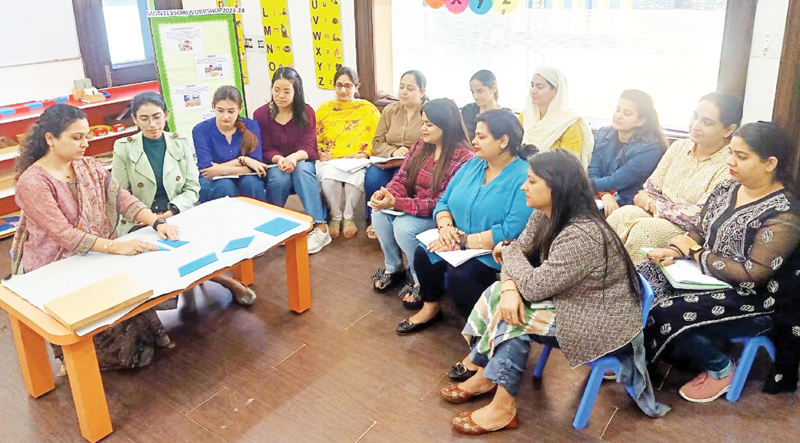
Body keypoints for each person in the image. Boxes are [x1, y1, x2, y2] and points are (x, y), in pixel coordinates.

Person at [439, 149, 647, 435]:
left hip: (601, 321)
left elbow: (526, 275)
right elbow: (519, 254)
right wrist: (509, 286)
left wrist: (509, 253)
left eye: (532, 181)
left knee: (516, 320)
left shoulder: (581, 235)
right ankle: (485, 375)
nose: (524, 187)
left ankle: (502, 407)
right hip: (571, 301)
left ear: (556, 187)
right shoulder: (545, 213)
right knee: (500, 294)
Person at [640, 122, 800, 403]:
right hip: (706, 276)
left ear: (770, 163)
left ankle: (721, 368)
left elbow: (752, 275)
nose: (730, 161)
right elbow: (700, 230)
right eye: (731, 153)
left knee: (666, 311)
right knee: (641, 277)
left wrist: (696, 253)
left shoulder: (785, 212)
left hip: (754, 299)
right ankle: (635, 354)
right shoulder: (728, 187)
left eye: (742, 156)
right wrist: (674, 250)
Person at [11, 104, 180, 370]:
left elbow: (121, 198)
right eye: (77, 137)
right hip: (56, 268)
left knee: (145, 316)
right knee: (131, 356)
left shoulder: (88, 166)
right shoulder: (33, 182)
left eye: (86, 136)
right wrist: (117, 247)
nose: (85, 144)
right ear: (50, 139)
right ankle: (70, 356)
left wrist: (157, 221)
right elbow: (64, 235)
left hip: (95, 255)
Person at [396, 110, 534, 333]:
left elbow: (511, 230)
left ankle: (482, 331)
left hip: (494, 252)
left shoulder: (524, 176)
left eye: (481, 136)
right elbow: (443, 203)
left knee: (461, 275)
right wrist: (446, 228)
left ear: (503, 141)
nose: (474, 141)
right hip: (457, 243)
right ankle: (430, 307)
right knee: (424, 254)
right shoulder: (472, 165)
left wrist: (463, 242)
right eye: (474, 135)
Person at [115, 92, 256, 306]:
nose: (152, 124)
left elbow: (192, 188)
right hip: (141, 218)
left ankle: (222, 280)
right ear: (134, 119)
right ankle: (220, 282)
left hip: (177, 213)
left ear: (166, 115)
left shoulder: (179, 142)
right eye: (144, 118)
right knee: (154, 255)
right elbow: (121, 194)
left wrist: (169, 213)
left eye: (157, 117)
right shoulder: (123, 147)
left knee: (196, 247)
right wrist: (150, 218)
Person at [607, 92, 743, 264]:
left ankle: (632, 280)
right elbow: (649, 190)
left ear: (728, 130)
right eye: (695, 117)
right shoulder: (678, 147)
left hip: (689, 233)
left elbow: (698, 216)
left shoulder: (729, 163)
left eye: (707, 122)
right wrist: (660, 206)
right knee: (619, 215)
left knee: (644, 231)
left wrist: (651, 204)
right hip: (652, 215)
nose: (696, 125)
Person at [368, 99, 473, 302]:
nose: (423, 128)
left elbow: (441, 202)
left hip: (441, 216)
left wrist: (397, 203)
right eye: (422, 123)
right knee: (378, 213)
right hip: (412, 205)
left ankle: (420, 280)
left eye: (429, 124)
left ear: (446, 126)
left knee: (404, 227)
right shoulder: (421, 144)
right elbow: (402, 177)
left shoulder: (465, 158)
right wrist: (387, 194)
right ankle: (393, 267)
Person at [254, 67, 331, 254]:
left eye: (287, 91)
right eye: (276, 90)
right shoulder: (261, 115)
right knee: (278, 176)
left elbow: (310, 147)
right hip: (275, 164)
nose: (280, 96)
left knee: (302, 169)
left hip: (301, 162)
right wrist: (280, 159)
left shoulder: (306, 112)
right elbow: (263, 148)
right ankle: (274, 224)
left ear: (296, 91)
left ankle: (320, 227)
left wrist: (294, 157)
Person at [315, 67, 381, 239]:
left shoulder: (368, 109)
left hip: (356, 159)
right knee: (329, 179)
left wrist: (366, 154)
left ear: (356, 87)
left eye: (348, 86)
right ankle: (336, 217)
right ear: (334, 86)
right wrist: (320, 152)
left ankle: (348, 216)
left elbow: (380, 137)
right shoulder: (324, 110)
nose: (343, 90)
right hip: (331, 159)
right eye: (339, 85)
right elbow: (313, 136)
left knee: (356, 178)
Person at [364, 70, 427, 239]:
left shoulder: (428, 112)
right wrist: (392, 151)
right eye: (401, 87)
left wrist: (409, 154)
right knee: (372, 177)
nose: (404, 92)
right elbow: (377, 142)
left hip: (414, 162)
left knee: (399, 180)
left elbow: (431, 143)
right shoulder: (390, 110)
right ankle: (374, 218)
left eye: (410, 88)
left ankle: (393, 220)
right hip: (388, 160)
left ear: (422, 92)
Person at [588, 90, 667, 216]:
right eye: (618, 110)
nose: (618, 116)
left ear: (641, 121)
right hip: (602, 196)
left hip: (629, 203)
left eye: (627, 113)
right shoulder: (604, 134)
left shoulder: (650, 149)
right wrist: (604, 194)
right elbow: (593, 170)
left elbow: (615, 181)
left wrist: (580, 185)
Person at [192, 85, 267, 203]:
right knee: (225, 185)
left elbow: (257, 167)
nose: (225, 116)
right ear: (213, 107)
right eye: (220, 110)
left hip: (245, 177)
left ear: (240, 108)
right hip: (214, 181)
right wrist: (243, 161)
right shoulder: (200, 130)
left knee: (251, 183)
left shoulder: (252, 126)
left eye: (231, 111)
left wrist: (220, 169)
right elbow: (207, 170)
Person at [519, 67, 594, 167]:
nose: (533, 91)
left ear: (555, 91)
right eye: (532, 85)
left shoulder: (569, 123)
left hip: (552, 175)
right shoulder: (525, 117)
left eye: (539, 87)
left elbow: (568, 166)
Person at [461, 70, 506, 139]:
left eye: (480, 91)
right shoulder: (468, 111)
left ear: (493, 88)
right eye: (473, 92)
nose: (475, 96)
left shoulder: (506, 116)